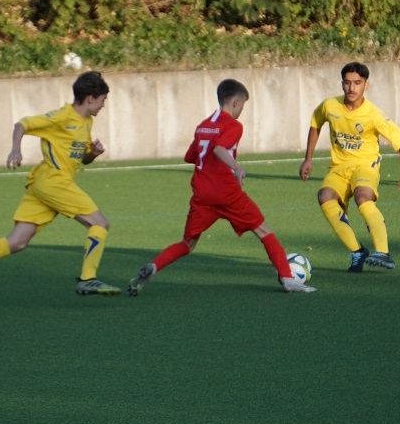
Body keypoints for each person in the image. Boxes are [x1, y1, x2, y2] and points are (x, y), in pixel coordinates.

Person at [0, 71, 122, 297]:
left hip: (44, 185)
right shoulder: (62, 116)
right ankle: (88, 279)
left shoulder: (86, 122)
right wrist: (15, 149)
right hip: (54, 181)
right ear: (90, 98)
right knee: (100, 223)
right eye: (103, 99)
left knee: (17, 242)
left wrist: (92, 154)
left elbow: (82, 158)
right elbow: (22, 124)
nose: (103, 105)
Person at [128, 79, 317, 295]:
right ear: (235, 102)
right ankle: (288, 279)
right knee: (263, 230)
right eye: (242, 105)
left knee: (187, 243)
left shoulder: (202, 125)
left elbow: (190, 156)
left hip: (201, 195)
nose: (242, 111)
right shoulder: (234, 126)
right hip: (227, 193)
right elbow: (219, 149)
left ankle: (154, 266)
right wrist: (236, 166)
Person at [299, 62, 400, 272]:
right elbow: (316, 123)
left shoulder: (373, 114)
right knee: (324, 196)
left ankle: (383, 252)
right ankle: (357, 251)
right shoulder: (330, 105)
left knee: (363, 196)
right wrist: (308, 158)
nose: (352, 88)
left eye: (357, 83)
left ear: (366, 85)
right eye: (347, 83)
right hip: (339, 167)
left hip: (365, 166)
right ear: (342, 84)